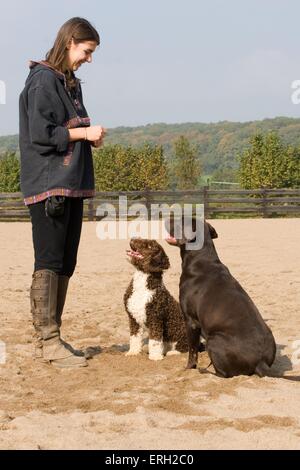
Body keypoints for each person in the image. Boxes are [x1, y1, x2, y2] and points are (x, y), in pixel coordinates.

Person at [19, 17, 105, 368]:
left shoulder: (68, 83)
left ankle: (55, 337)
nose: (89, 58)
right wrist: (84, 135)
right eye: (87, 51)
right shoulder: (42, 81)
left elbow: (64, 130)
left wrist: (88, 136)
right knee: (50, 261)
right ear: (70, 41)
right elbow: (42, 134)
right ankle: (47, 341)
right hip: (49, 185)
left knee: (66, 262)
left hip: (71, 184)